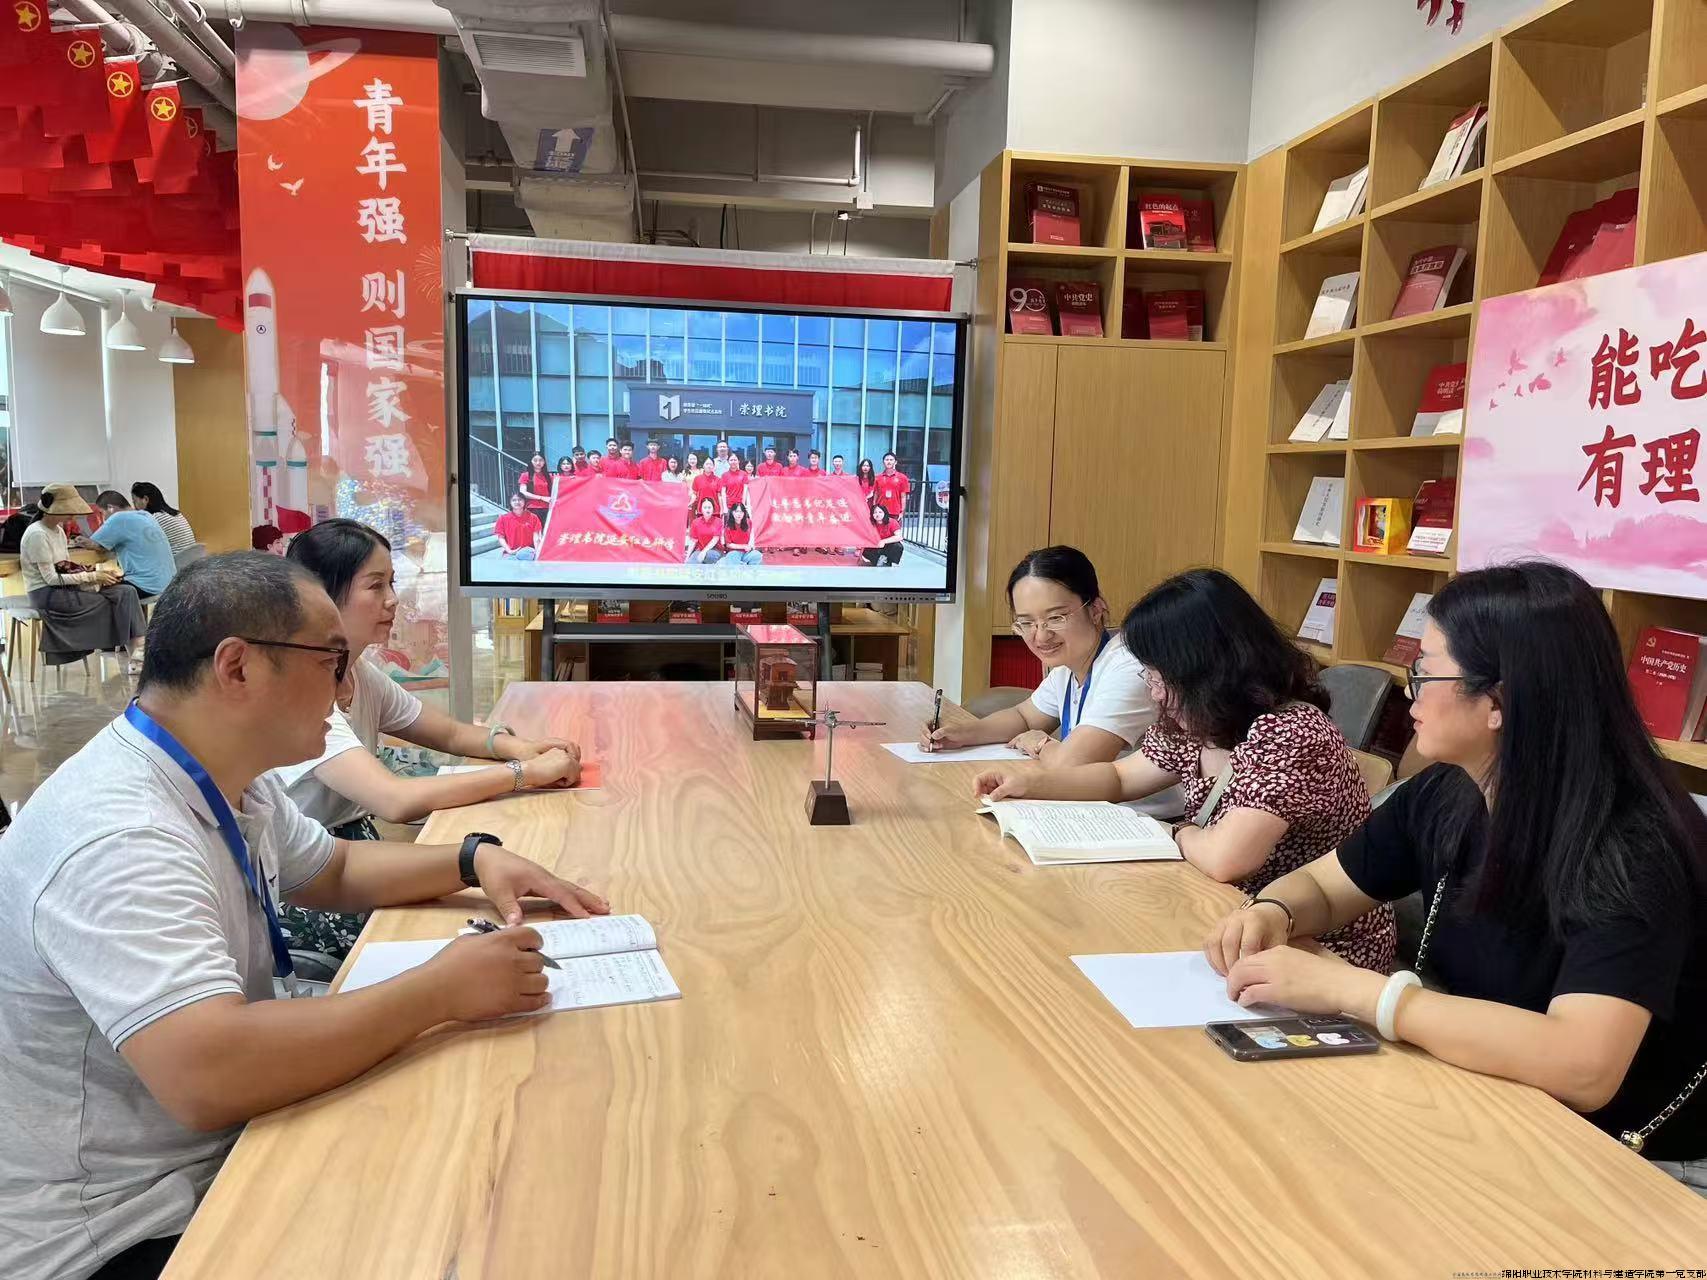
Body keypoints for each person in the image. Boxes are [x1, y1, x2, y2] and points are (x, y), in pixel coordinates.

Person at [0, 552, 608, 1280]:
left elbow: (334, 869)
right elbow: (208, 1075)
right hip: (120, 1226)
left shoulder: (225, 772)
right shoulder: (120, 835)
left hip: (210, 1152)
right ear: (237, 668)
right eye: (331, 661)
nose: (347, 687)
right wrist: (440, 991)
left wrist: (472, 860)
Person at [1205, 563, 1707, 1186]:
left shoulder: (1634, 844)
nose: (1409, 693)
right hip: (1492, 1096)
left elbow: (1584, 1065)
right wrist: (1272, 912)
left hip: (1633, 1160)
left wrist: (1356, 993)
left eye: (1426, 671)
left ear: (1498, 701)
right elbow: (1323, 887)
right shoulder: (1450, 789)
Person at [977, 568, 1391, 970]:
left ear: (1205, 670)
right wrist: (1032, 783)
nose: (1154, 693)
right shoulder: (1197, 721)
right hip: (1223, 911)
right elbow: (1120, 777)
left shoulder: (1290, 732)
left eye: (1159, 678)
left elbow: (1226, 859)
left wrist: (1173, 832)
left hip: (1314, 945)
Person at [275, 520, 581, 950]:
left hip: (354, 856)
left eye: (391, 583)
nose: (392, 600)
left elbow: (450, 734)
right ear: (321, 597)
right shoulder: (304, 693)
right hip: (308, 882)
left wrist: (521, 747)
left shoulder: (359, 673)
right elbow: (395, 801)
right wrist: (525, 773)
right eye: (375, 586)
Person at [922, 548, 1168, 785]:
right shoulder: (1069, 665)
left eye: (1055, 618)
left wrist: (1041, 744)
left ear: (1095, 610)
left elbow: (1073, 765)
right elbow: (1024, 717)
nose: (1041, 636)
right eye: (1026, 623)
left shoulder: (1129, 665)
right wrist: (961, 733)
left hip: (1137, 811)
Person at [21, 483, 147, 669]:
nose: (73, 517)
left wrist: (99, 576)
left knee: (126, 592)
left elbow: (65, 568)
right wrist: (93, 577)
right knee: (109, 603)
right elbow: (51, 579)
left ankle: (138, 657)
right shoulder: (37, 534)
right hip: (46, 593)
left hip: (65, 588)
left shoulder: (58, 531)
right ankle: (137, 659)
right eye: (69, 512)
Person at [84, 490, 176, 598]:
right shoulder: (146, 515)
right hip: (169, 584)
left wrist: (79, 540)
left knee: (93, 590)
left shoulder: (119, 518)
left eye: (102, 513)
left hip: (146, 586)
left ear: (110, 508)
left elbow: (96, 545)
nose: (102, 518)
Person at [130, 481, 196, 555]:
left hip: (177, 560)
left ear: (145, 499)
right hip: (192, 559)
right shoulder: (176, 513)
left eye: (134, 501)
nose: (134, 507)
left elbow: (144, 548)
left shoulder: (154, 518)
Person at [493, 493, 542, 559]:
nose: (517, 502)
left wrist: (537, 552)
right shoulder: (503, 518)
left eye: (520, 499)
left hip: (529, 552)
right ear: (510, 502)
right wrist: (509, 551)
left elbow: (536, 537)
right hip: (511, 553)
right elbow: (501, 537)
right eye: (514, 500)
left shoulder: (533, 517)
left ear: (524, 501)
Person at [872, 452, 911, 521]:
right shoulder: (877, 478)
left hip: (895, 511)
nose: (889, 462)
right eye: (887, 460)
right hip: (880, 511)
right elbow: (876, 494)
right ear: (883, 462)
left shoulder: (902, 478)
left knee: (894, 528)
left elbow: (903, 496)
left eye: (891, 460)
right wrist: (874, 509)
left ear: (895, 462)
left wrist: (902, 512)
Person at [686, 498, 723, 564]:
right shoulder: (695, 522)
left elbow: (715, 539)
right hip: (700, 550)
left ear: (713, 509)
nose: (707, 510)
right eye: (705, 507)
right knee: (690, 563)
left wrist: (704, 551)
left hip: (715, 551)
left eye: (709, 507)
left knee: (704, 557)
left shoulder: (718, 521)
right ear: (701, 509)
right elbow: (693, 541)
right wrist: (687, 556)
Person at [515, 452, 551, 516]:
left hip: (548, 508)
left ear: (544, 462)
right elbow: (523, 492)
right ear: (531, 462)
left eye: (540, 460)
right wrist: (541, 498)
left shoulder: (549, 477)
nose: (538, 463)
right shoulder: (526, 475)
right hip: (532, 508)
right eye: (535, 460)